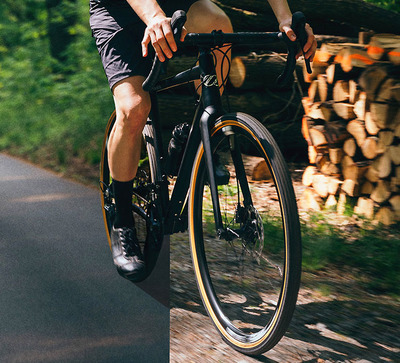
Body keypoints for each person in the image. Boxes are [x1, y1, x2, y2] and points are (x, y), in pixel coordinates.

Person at [90, 0, 317, 280]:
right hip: (120, 12)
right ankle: (122, 220)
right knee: (135, 108)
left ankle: (198, 139)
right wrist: (154, 15)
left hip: (178, 6)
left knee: (217, 24)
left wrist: (285, 20)